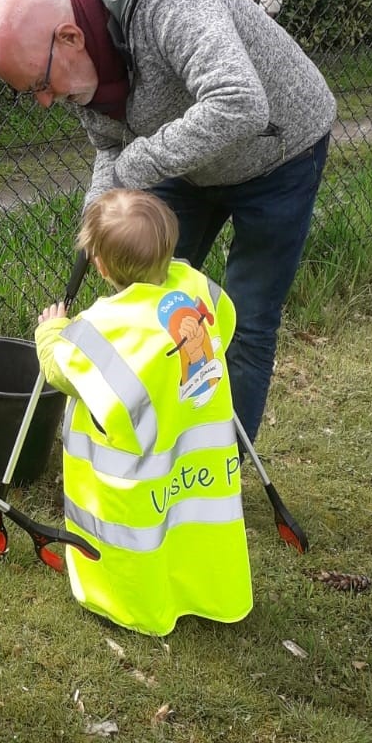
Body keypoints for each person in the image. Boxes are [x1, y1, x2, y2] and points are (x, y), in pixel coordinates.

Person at [0, 0, 336, 442]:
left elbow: (239, 101)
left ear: (70, 38)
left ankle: (219, 470)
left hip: (280, 153)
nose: (42, 101)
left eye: (40, 84)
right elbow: (111, 146)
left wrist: (137, 167)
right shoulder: (85, 61)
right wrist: (96, 219)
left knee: (248, 322)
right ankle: (157, 447)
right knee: (144, 301)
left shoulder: (167, 0)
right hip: (187, 162)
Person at [34, 189, 251, 637]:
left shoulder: (100, 327)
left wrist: (51, 331)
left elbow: (61, 370)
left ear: (100, 266)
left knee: (142, 533)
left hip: (136, 469)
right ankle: (200, 589)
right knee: (191, 520)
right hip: (196, 455)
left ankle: (133, 602)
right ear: (170, 249)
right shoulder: (194, 287)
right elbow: (225, 324)